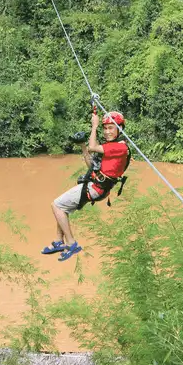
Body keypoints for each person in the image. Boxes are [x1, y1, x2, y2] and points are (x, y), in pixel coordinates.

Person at [42, 110, 130, 261]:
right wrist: (83, 144)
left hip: (95, 188)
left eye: (111, 128)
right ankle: (58, 241)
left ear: (119, 129)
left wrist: (94, 126)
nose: (107, 131)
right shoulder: (111, 146)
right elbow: (91, 164)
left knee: (56, 205)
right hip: (95, 185)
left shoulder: (120, 147)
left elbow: (93, 147)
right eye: (105, 128)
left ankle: (71, 243)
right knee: (63, 207)